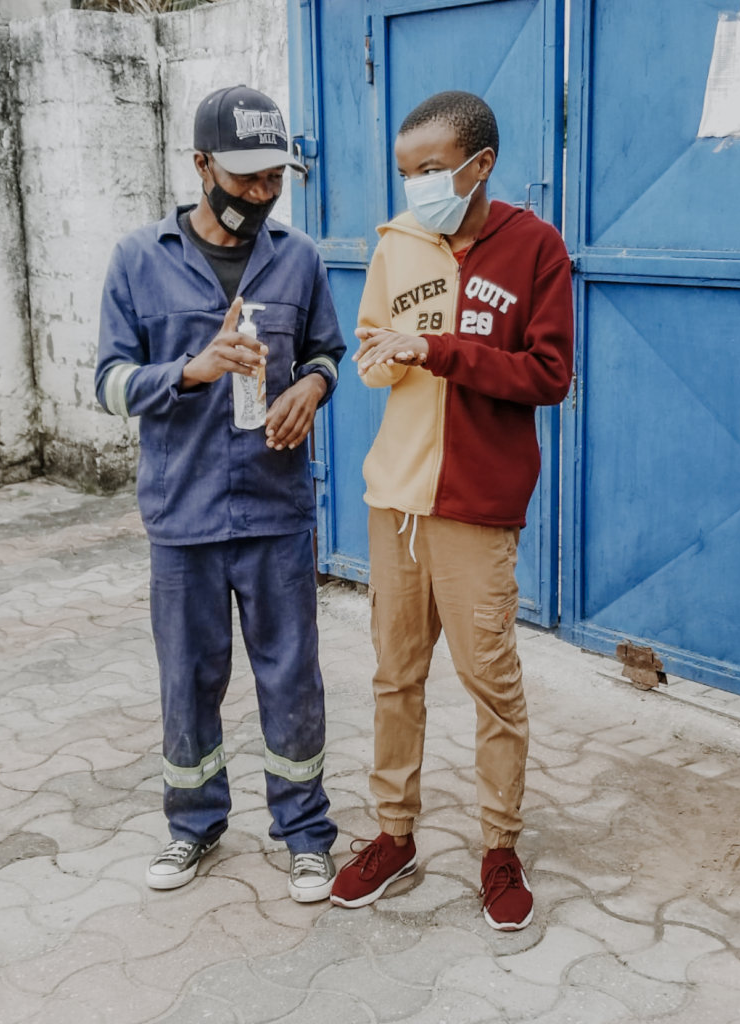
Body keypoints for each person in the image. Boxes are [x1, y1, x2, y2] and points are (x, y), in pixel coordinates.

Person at [329, 91, 573, 930]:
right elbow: (368, 352)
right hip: (394, 498)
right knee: (396, 677)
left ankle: (499, 847)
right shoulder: (398, 247)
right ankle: (394, 836)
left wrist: (437, 349)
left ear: (480, 165)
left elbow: (548, 375)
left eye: (431, 170)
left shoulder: (535, 247)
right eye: (407, 173)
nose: (418, 186)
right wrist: (387, 355)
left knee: (490, 684)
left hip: (476, 503)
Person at [95, 85, 344, 900]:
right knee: (189, 681)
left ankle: (305, 833)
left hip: (275, 515)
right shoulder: (139, 258)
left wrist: (313, 386)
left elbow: (326, 353)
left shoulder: (298, 257)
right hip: (184, 517)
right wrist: (189, 371)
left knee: (291, 677)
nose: (262, 192)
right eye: (245, 177)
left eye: (275, 176)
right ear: (201, 165)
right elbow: (107, 384)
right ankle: (193, 827)